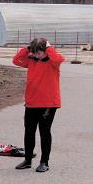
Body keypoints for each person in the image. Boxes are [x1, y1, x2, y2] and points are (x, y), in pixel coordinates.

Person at [12, 37, 63, 172]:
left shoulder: (53, 62)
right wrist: (28, 49)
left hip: (48, 104)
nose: (38, 56)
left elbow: (58, 59)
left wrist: (49, 48)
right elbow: (16, 60)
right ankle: (28, 160)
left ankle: (44, 162)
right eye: (35, 53)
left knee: (44, 133)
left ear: (45, 50)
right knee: (29, 132)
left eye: (40, 53)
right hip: (31, 102)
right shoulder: (31, 60)